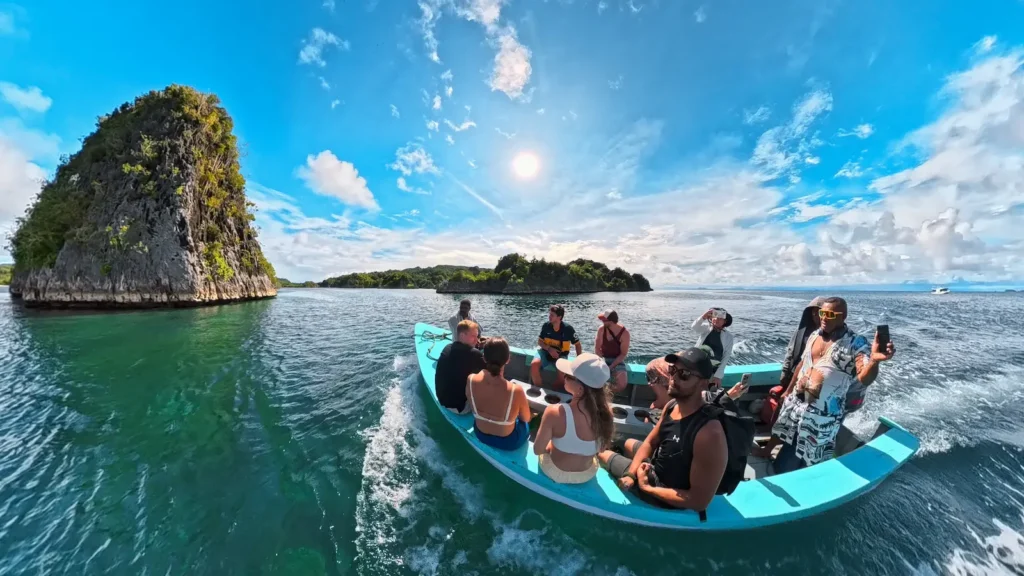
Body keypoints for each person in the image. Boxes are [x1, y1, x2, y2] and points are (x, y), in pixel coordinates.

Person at [768, 297, 896, 472]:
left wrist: (874, 360)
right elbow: (801, 365)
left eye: (830, 314)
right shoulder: (814, 335)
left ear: (842, 316)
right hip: (797, 405)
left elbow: (864, 377)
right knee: (787, 449)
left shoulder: (855, 343)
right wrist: (788, 391)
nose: (824, 318)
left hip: (823, 416)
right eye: (822, 313)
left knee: (810, 461)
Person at [599, 347, 728, 512]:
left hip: (661, 489)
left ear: (703, 383)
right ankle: (629, 466)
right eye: (672, 370)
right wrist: (632, 474)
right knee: (625, 442)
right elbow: (651, 442)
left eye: (684, 374)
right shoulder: (672, 405)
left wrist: (647, 488)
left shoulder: (709, 434)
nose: (673, 378)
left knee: (601, 451)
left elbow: (698, 501)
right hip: (658, 463)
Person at [533, 353, 615, 484]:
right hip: (586, 475)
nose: (564, 377)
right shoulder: (607, 414)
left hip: (555, 472)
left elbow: (537, 450)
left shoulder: (554, 412)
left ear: (580, 389)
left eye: (569, 376)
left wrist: (551, 446)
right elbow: (601, 449)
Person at [467, 337, 532, 451]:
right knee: (524, 422)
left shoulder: (471, 379)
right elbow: (526, 418)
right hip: (509, 442)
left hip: (481, 434)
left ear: (485, 358)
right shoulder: (515, 390)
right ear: (507, 359)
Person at [434, 320, 485, 414]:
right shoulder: (474, 354)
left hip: (443, 399)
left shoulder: (448, 347)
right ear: (462, 335)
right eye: (473, 336)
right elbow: (491, 373)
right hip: (460, 408)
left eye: (477, 336)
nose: (477, 340)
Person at [530, 304, 582, 390]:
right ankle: (538, 390)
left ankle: (555, 394)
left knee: (561, 374)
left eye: (552, 315)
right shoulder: (546, 326)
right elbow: (540, 342)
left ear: (559, 317)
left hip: (561, 355)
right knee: (534, 364)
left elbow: (578, 345)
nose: (549, 317)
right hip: (545, 351)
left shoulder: (568, 329)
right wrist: (549, 349)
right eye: (549, 314)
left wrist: (579, 360)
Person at [779, 297, 826, 388]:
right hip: (797, 374)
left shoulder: (831, 336)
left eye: (819, 312)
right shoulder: (801, 332)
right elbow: (790, 352)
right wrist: (784, 372)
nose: (816, 315)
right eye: (813, 312)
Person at [690, 308, 734, 389]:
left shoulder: (729, 337)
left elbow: (726, 356)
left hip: (712, 371)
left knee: (708, 395)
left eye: (720, 318)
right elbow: (694, 327)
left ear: (725, 321)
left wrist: (718, 376)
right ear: (711, 318)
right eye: (715, 316)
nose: (717, 319)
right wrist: (704, 316)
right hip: (696, 367)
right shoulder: (706, 329)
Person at [594, 309, 630, 393]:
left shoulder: (625, 333)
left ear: (611, 321)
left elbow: (623, 354)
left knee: (622, 385)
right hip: (603, 359)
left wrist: (611, 366)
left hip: (617, 360)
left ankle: (605, 393)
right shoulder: (601, 330)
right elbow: (597, 349)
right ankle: (600, 393)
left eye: (604, 320)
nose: (602, 322)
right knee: (593, 376)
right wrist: (601, 362)